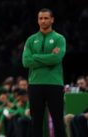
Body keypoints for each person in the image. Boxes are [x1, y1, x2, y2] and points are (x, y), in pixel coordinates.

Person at [22, 8, 66, 137]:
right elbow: (25, 62)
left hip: (55, 84)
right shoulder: (30, 40)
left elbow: (57, 58)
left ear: (52, 20)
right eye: (40, 18)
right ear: (37, 20)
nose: (43, 21)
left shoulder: (59, 38)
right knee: (36, 121)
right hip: (35, 84)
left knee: (58, 121)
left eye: (46, 18)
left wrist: (35, 57)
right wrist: (48, 58)